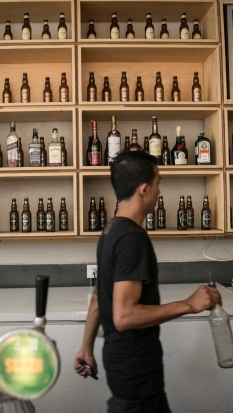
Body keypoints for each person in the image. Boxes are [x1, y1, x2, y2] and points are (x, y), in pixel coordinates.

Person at [74, 150, 222, 413]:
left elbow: (100, 295)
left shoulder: (111, 230)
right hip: (136, 372)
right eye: (158, 183)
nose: (159, 191)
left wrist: (86, 346)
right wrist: (189, 304)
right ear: (144, 189)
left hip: (123, 366)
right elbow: (124, 316)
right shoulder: (132, 239)